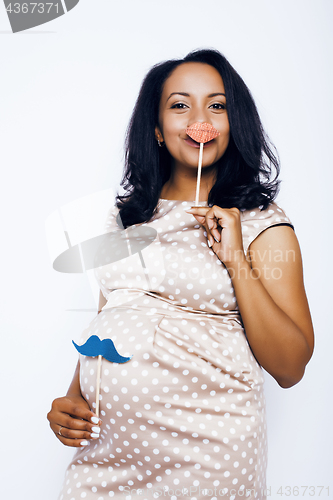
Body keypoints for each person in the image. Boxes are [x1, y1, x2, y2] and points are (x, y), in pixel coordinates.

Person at [47, 49, 314, 500]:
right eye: (179, 105)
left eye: (217, 105)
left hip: (209, 457)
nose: (199, 118)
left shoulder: (261, 223)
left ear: (234, 124)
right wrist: (73, 398)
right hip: (108, 454)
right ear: (155, 127)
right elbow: (112, 315)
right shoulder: (122, 219)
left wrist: (234, 257)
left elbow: (290, 367)